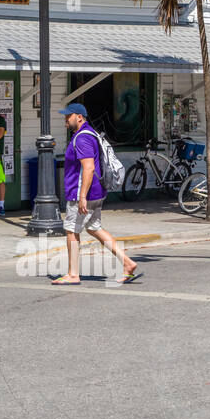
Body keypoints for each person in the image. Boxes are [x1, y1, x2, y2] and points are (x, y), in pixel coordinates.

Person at [51, 102, 140, 285]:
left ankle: (73, 274)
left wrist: (82, 196)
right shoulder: (89, 133)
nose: (65, 120)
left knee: (71, 231)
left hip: (83, 194)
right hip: (96, 192)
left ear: (79, 117)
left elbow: (88, 168)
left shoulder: (82, 138)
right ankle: (128, 263)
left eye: (68, 116)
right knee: (94, 228)